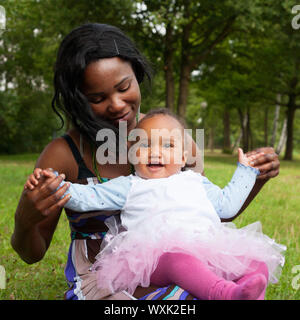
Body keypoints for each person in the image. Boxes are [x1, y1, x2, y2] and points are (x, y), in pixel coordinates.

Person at [11, 23, 281, 301]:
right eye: (97, 98)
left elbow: (210, 210)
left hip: (187, 270)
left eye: (124, 87)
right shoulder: (63, 154)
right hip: (106, 281)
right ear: (77, 99)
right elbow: (32, 254)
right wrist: (25, 219)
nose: (116, 104)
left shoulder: (173, 139)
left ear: (137, 76)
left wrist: (254, 177)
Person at [25, 109, 285, 300]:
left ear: (184, 156)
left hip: (206, 249)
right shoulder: (130, 184)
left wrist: (246, 172)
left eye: (168, 145)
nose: (155, 152)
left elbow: (227, 206)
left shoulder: (196, 181)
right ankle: (223, 293)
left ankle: (250, 292)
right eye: (145, 144)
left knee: (253, 261)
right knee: (178, 260)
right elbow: (89, 197)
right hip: (154, 259)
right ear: (132, 154)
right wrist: (55, 185)